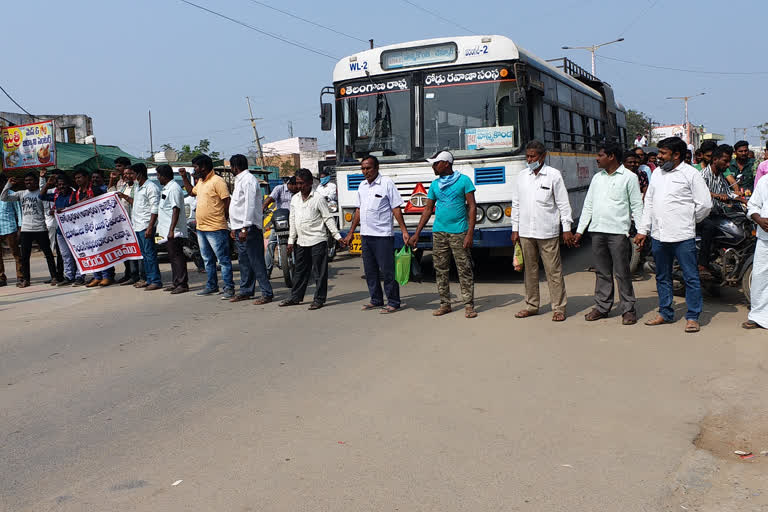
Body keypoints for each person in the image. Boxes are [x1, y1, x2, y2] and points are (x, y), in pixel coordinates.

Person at [634, 136, 712, 333]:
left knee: (691, 277)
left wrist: (687, 220)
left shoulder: (690, 174)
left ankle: (693, 316)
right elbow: (649, 203)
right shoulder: (658, 174)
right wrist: (643, 230)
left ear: (676, 155)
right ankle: (666, 313)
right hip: (659, 236)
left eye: (663, 153)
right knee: (662, 276)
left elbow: (704, 204)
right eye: (659, 153)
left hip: (683, 236)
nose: (658, 157)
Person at [574, 142, 643, 325]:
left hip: (618, 233)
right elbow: (588, 205)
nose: (597, 158)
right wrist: (580, 231)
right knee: (602, 272)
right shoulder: (597, 178)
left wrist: (642, 232)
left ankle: (628, 309)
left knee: (622, 273)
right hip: (597, 231)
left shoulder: (629, 177)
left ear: (611, 156)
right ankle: (602, 307)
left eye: (600, 155)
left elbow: (637, 205)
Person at [409, 150, 478, 318]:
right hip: (439, 232)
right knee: (440, 269)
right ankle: (445, 303)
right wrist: (417, 233)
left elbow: (472, 207)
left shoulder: (464, 181)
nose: (433, 166)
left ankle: (469, 305)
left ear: (446, 163)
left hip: (459, 231)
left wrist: (469, 233)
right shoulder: (435, 185)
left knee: (464, 268)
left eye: (436, 163)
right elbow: (427, 209)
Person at [510, 141, 574, 322]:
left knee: (553, 271)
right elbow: (516, 204)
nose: (529, 160)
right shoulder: (522, 176)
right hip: (525, 232)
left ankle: (559, 307)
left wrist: (566, 228)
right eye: (527, 156)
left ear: (543, 156)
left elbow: (563, 204)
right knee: (529, 271)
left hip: (547, 231)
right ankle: (531, 305)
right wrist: (515, 229)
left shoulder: (553, 175)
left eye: (532, 156)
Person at [343, 156, 410, 313]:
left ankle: (393, 301)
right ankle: (376, 299)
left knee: (387, 271)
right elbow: (358, 210)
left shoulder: (386, 183)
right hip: (366, 235)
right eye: (363, 169)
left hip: (383, 235)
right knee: (370, 271)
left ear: (377, 168)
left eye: (369, 168)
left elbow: (396, 208)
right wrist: (351, 232)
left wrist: (404, 231)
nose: (365, 171)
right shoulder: (362, 186)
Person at [280, 168, 345, 310]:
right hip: (301, 241)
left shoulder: (318, 198)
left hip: (317, 240)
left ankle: (319, 299)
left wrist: (337, 236)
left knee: (319, 272)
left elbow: (328, 218)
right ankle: (295, 297)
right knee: (300, 271)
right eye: (297, 183)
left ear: (310, 183)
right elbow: (293, 220)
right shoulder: (295, 199)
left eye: (302, 183)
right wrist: (291, 240)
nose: (299, 186)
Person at [180, 154, 235, 297]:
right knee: (207, 259)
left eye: (196, 167)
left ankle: (229, 287)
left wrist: (224, 217)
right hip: (202, 228)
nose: (194, 170)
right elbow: (191, 192)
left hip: (216, 228)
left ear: (203, 167)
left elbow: (226, 200)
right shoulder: (201, 182)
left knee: (222, 260)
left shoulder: (218, 181)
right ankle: (212, 286)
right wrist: (185, 177)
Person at [227, 154, 273, 304]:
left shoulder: (248, 181)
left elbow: (249, 205)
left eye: (231, 167)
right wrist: (234, 227)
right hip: (239, 226)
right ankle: (246, 290)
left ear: (235, 167)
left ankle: (267, 292)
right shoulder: (239, 180)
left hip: (248, 227)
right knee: (244, 261)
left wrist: (245, 227)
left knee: (256, 261)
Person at [1, 171, 58, 287]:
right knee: (25, 257)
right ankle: (26, 280)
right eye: (26, 181)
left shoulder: (41, 194)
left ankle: (54, 277)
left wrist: (43, 180)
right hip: (26, 230)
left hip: (40, 228)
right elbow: (3, 197)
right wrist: (8, 185)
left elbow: (47, 209)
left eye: (30, 180)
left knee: (48, 254)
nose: (28, 183)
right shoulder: (21, 194)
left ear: (36, 182)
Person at [698, 145, 746, 277]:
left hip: (715, 213)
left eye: (729, 161)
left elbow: (728, 193)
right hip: (701, 215)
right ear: (714, 160)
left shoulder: (720, 177)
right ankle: (702, 264)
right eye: (725, 161)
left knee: (735, 222)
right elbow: (700, 193)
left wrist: (745, 200)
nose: (727, 164)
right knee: (709, 227)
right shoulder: (702, 175)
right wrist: (716, 195)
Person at [118, 163, 162, 290]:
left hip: (146, 226)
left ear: (139, 174)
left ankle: (155, 280)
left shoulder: (151, 187)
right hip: (137, 226)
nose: (131, 176)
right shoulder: (138, 187)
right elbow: (136, 203)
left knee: (150, 254)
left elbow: (155, 208)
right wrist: (125, 197)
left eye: (133, 174)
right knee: (144, 255)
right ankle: (148, 279)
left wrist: (150, 227)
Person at [72, 169, 114, 286]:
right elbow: (73, 207)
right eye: (76, 178)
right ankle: (96, 276)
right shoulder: (77, 193)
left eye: (79, 177)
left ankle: (106, 276)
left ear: (86, 178)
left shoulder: (96, 190)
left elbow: (105, 202)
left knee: (101, 250)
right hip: (84, 227)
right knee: (91, 251)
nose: (77, 180)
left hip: (98, 225)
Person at [40, 172, 82, 286]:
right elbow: (41, 196)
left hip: (75, 230)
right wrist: (47, 185)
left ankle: (79, 276)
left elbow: (77, 207)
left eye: (63, 184)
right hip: (61, 230)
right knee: (65, 255)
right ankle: (69, 276)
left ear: (68, 184)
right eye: (58, 185)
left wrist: (63, 210)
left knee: (77, 253)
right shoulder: (56, 195)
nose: (61, 187)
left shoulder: (74, 194)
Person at [155, 164, 189, 294]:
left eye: (158, 175)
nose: (158, 178)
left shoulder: (174, 188)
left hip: (174, 230)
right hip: (167, 230)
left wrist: (171, 230)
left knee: (177, 257)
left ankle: (182, 283)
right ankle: (176, 283)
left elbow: (176, 209)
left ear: (163, 176)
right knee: (172, 257)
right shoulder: (166, 188)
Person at [110, 157, 142, 285]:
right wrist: (112, 180)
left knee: (138, 252)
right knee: (127, 251)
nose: (118, 169)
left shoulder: (138, 185)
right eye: (117, 167)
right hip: (124, 223)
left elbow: (138, 203)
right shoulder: (120, 184)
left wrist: (124, 197)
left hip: (135, 222)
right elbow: (111, 194)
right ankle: (129, 274)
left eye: (120, 166)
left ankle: (139, 275)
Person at [743, 174, 768, 329]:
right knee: (760, 276)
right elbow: (753, 205)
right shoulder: (765, 181)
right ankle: (758, 316)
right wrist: (759, 219)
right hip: (765, 238)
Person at [263, 176, 298, 278]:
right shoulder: (279, 189)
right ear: (290, 184)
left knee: (300, 242)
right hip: (280, 222)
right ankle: (267, 271)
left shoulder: (298, 192)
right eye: (295, 186)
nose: (297, 189)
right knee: (271, 243)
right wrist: (263, 207)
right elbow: (270, 199)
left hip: (294, 222)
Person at [0, 173, 23, 287]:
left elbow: (19, 211)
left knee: (16, 253)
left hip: (10, 227)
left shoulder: (12, 194)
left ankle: (20, 276)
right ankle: (1, 278)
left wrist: (20, 228)